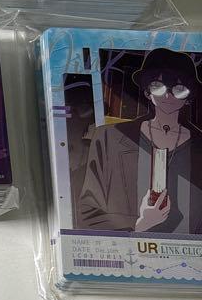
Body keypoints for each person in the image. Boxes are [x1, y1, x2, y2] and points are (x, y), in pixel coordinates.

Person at [77, 48, 201, 233]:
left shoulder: (198, 144)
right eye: (158, 86)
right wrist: (140, 225)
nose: (167, 96)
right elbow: (87, 213)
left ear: (189, 96)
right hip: (129, 248)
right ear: (147, 91)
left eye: (179, 89)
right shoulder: (109, 137)